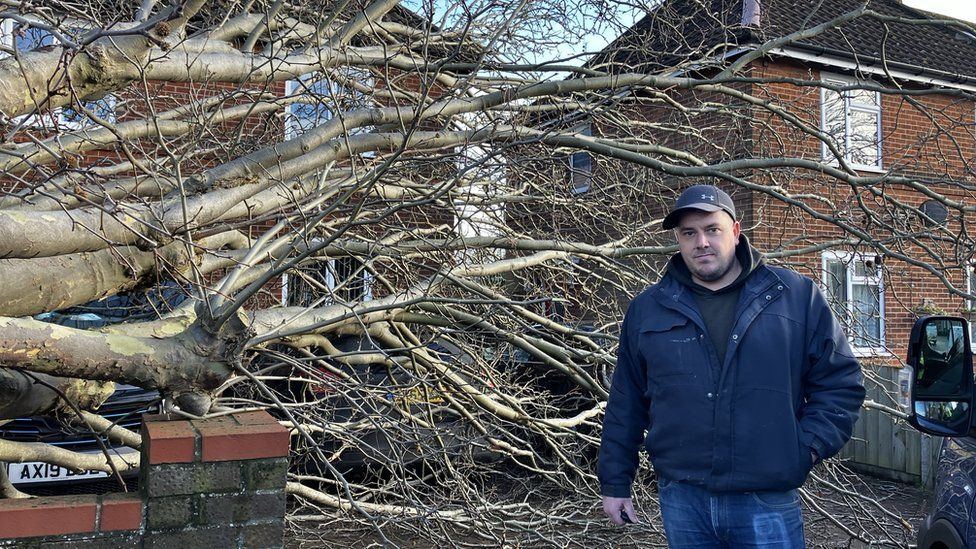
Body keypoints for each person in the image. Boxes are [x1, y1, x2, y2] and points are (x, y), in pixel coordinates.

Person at [598, 184, 865, 547]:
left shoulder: (795, 297)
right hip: (684, 497)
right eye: (689, 233)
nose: (701, 243)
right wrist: (615, 482)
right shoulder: (649, 308)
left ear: (736, 232)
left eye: (712, 229)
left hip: (766, 497)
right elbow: (626, 400)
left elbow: (840, 383)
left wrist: (804, 450)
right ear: (678, 239)